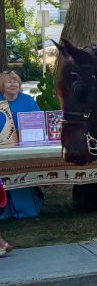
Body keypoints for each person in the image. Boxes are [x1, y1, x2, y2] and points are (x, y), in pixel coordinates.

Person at [0, 71, 43, 218]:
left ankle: (26, 207)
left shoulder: (28, 100)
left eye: (16, 82)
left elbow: (39, 121)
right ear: (2, 85)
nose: (13, 85)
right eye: (9, 82)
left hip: (25, 145)